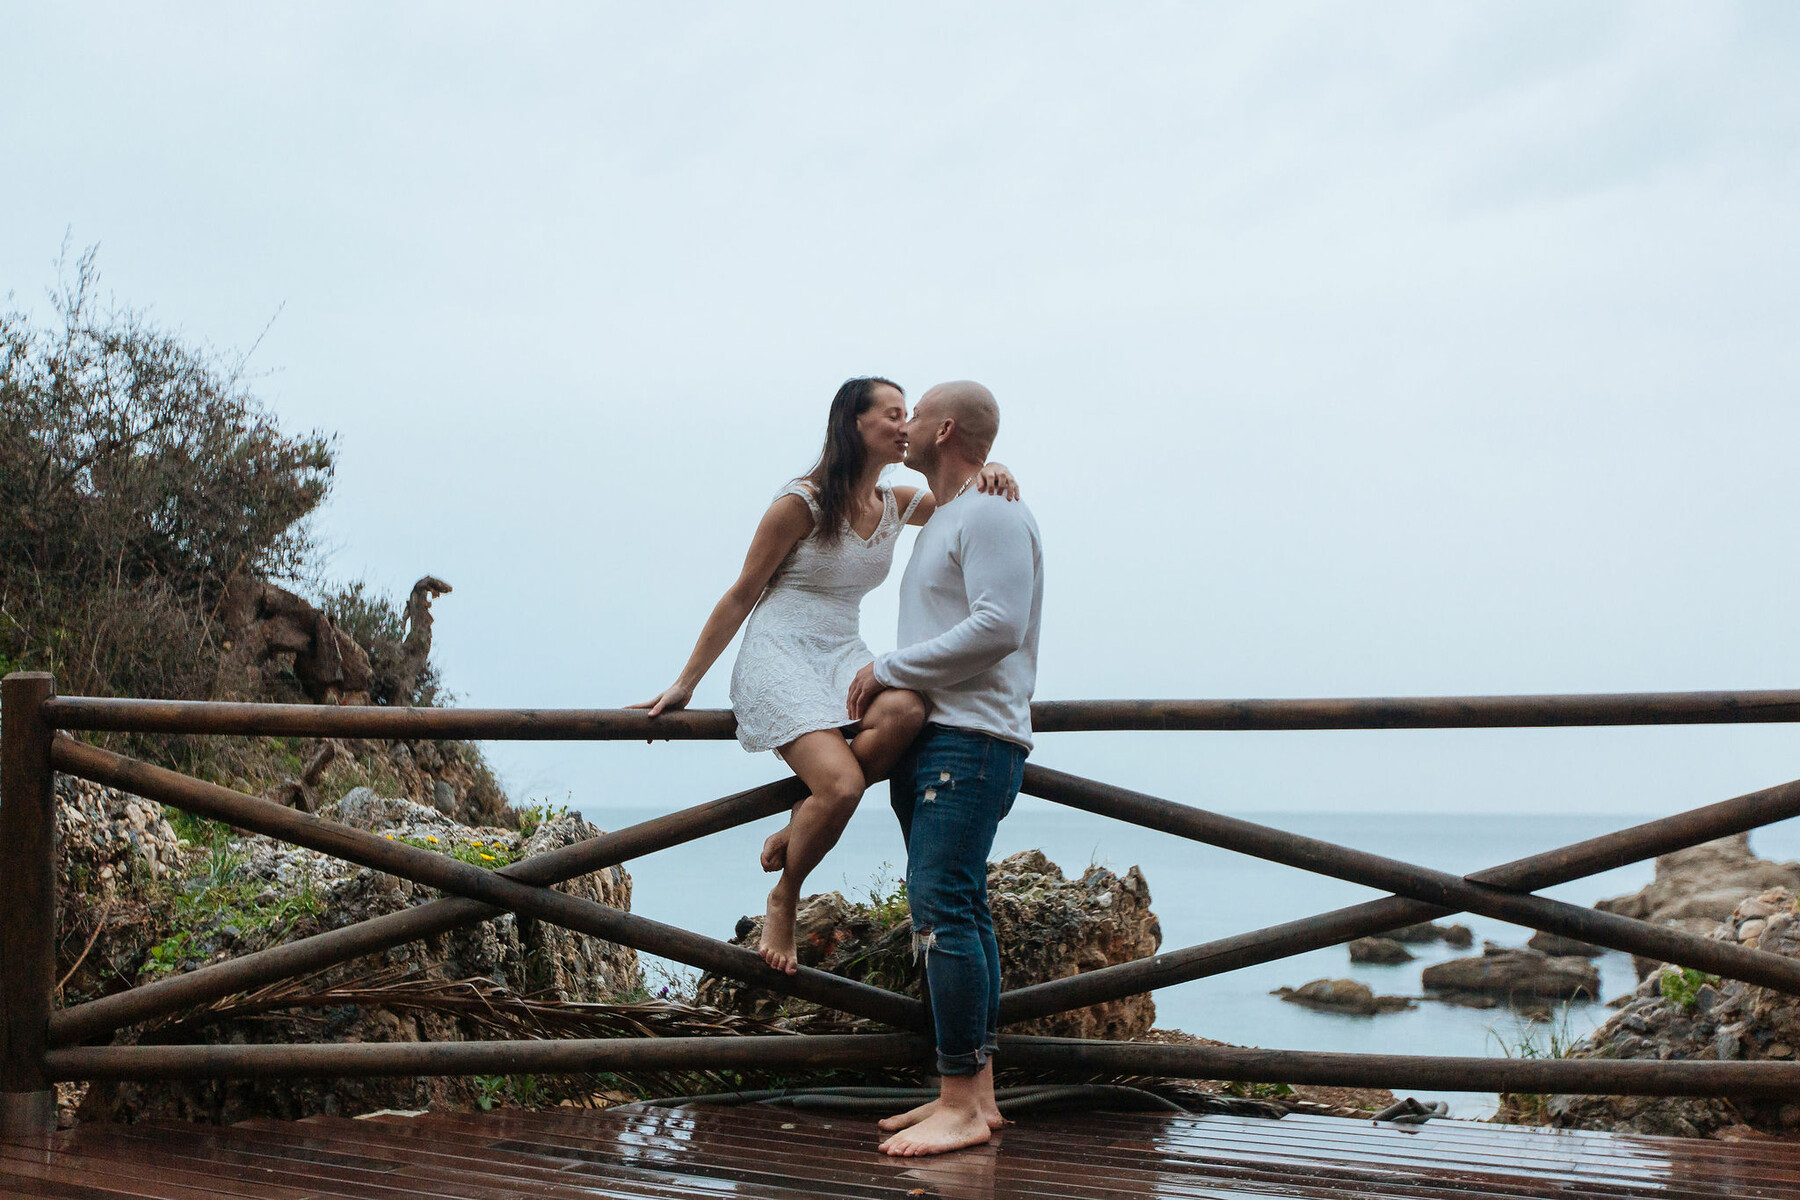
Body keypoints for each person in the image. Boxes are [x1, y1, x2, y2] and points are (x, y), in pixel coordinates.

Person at [633, 377, 1018, 975]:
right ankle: (785, 894)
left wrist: (996, 470)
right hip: (780, 652)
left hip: (843, 651)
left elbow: (960, 488)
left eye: (910, 414)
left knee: (909, 712)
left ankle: (801, 826)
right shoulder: (801, 503)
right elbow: (741, 595)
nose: (905, 424)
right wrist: (687, 682)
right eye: (893, 414)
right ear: (855, 424)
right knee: (840, 785)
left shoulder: (900, 502)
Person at [845, 380, 1043, 1158]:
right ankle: (974, 1094)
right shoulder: (956, 512)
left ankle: (959, 1101)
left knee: (944, 913)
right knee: (958, 909)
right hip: (943, 739)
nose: (905, 425)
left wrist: (890, 666)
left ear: (946, 426)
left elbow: (1000, 625)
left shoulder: (992, 513)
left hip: (971, 740)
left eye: (915, 413)